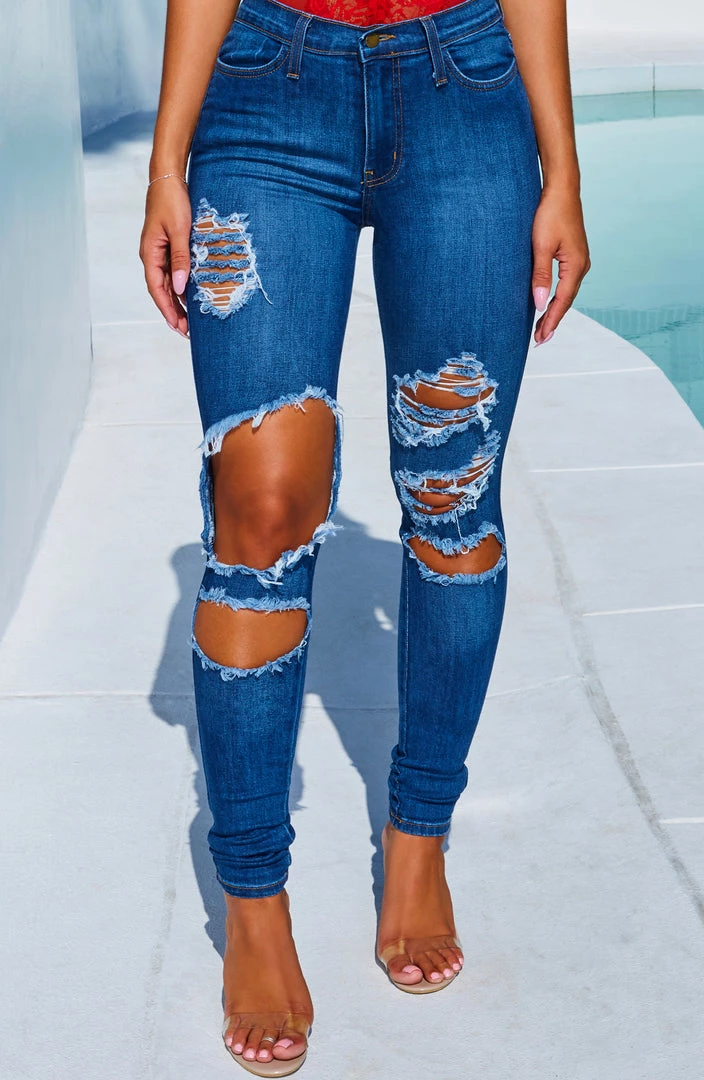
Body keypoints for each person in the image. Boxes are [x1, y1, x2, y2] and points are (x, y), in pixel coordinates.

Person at [140, 0, 589, 1071]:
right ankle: (253, 897)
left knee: (452, 502)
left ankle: (419, 836)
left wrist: (562, 167)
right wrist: (165, 158)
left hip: (467, 93)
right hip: (264, 88)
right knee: (258, 513)